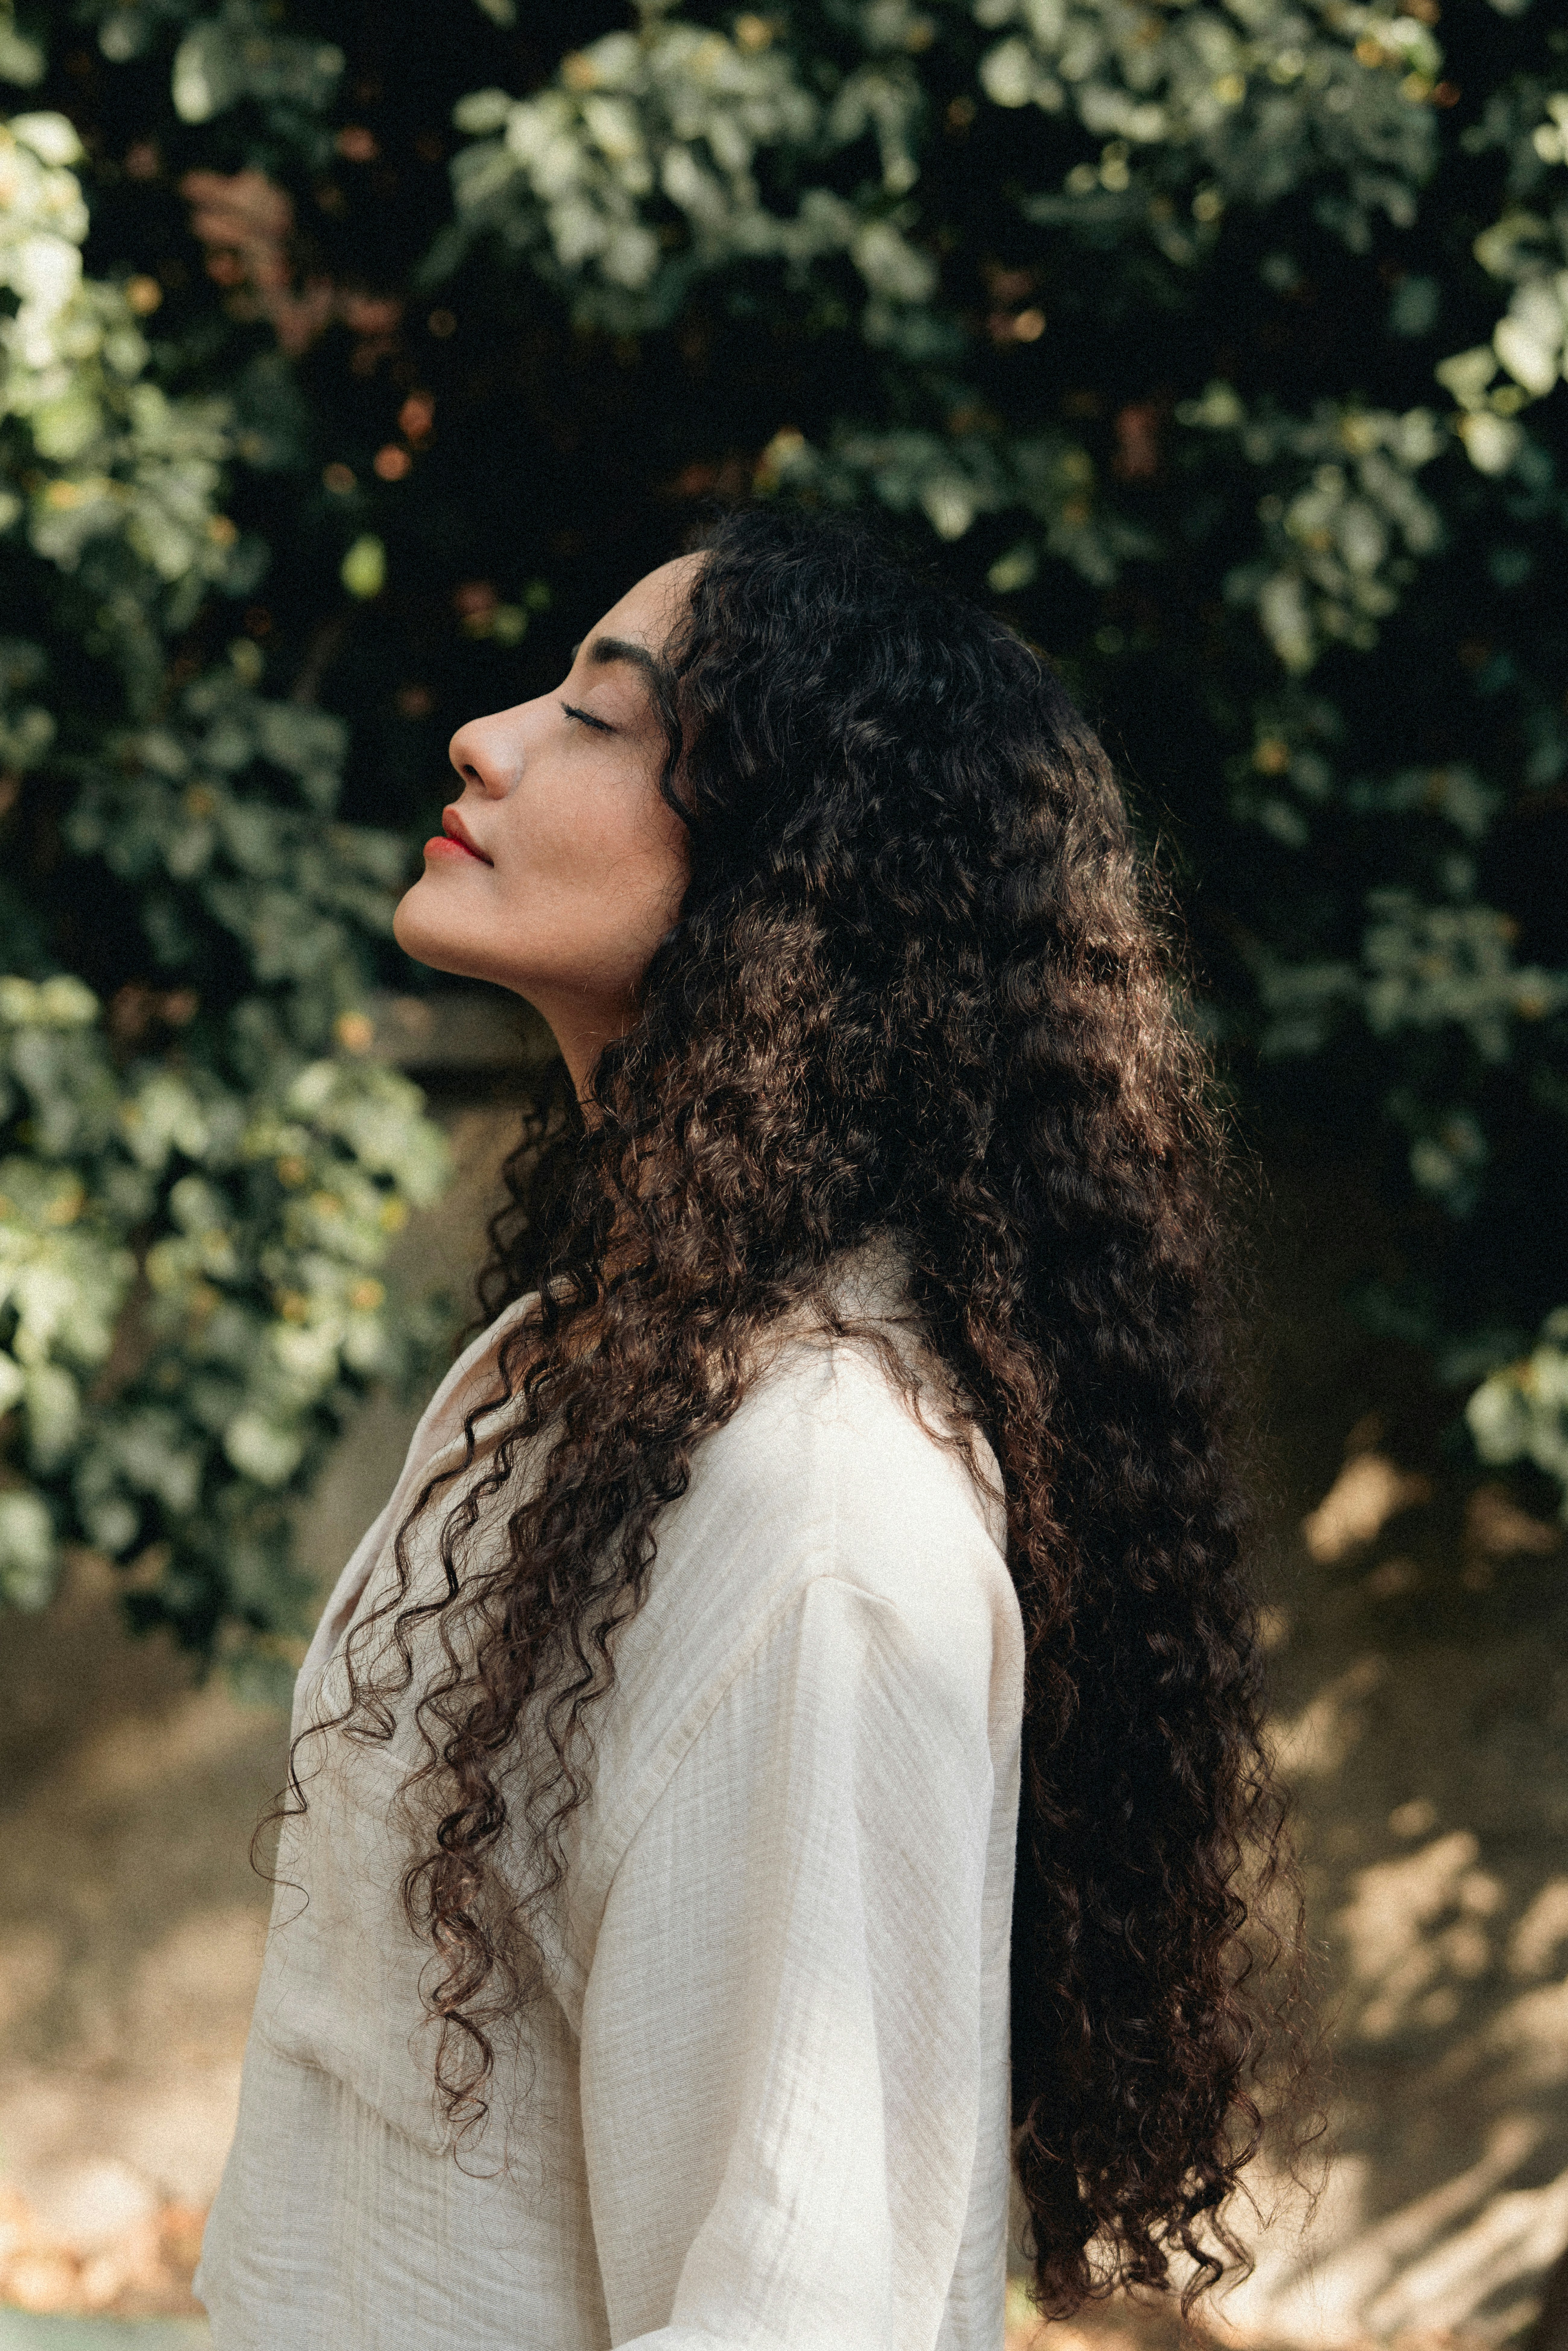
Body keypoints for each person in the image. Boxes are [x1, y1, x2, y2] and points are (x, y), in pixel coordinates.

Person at [196, 509, 1305, 2351]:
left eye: (600, 717)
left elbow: (799, 2293)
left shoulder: (818, 1521)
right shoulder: (570, 1375)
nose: (486, 736)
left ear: (796, 876)